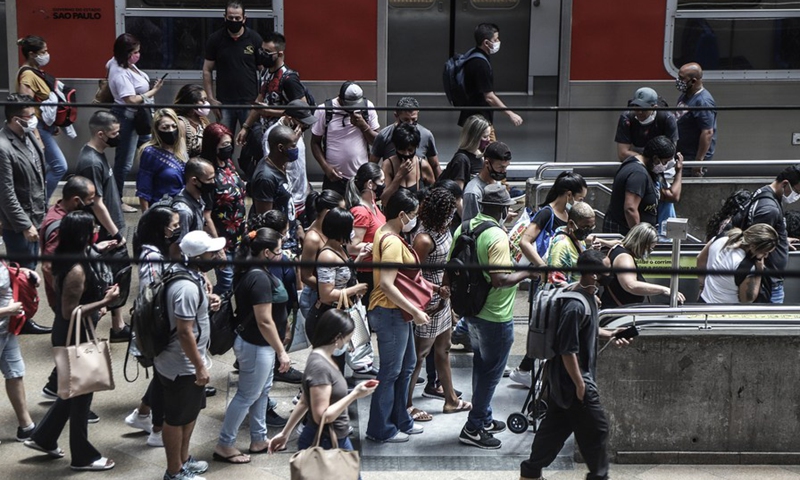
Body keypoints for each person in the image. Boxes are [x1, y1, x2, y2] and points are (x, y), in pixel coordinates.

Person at [519, 249, 632, 480]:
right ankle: (598, 476)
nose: (610, 272)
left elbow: (585, 329)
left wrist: (609, 333)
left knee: (554, 429)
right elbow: (566, 349)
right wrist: (580, 385)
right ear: (593, 274)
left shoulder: (585, 295)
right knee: (597, 431)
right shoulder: (575, 305)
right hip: (574, 381)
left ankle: (530, 473)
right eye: (606, 268)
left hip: (563, 381)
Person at [24, 211, 120, 471]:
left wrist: (98, 247)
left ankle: (44, 438)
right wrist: (105, 302)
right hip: (73, 336)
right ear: (82, 235)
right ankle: (83, 456)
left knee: (71, 392)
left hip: (69, 333)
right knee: (81, 399)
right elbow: (69, 311)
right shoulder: (76, 270)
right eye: (92, 229)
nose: (97, 231)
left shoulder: (68, 256)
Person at [450, 184, 537, 449]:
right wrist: (528, 272)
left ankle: (484, 417)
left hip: (472, 312)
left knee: (481, 365)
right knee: (491, 374)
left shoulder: (464, 227)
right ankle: (474, 428)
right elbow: (500, 279)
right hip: (495, 316)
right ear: (503, 210)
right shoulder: (497, 237)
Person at [213, 227, 291, 464]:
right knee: (247, 395)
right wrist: (281, 351)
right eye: (278, 250)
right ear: (266, 252)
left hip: (258, 345)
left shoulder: (252, 270)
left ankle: (258, 439)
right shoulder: (258, 278)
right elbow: (264, 320)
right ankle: (224, 444)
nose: (282, 253)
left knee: (261, 392)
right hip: (257, 346)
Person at [269, 309, 378, 472]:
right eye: (349, 338)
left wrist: (285, 433)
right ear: (337, 338)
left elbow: (304, 401)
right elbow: (323, 416)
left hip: (333, 437)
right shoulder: (320, 367)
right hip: (327, 440)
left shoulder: (319, 356)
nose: (349, 343)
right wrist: (355, 394)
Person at [157, 230, 223, 480]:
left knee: (188, 413)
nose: (216, 255)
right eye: (211, 252)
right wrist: (199, 366)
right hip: (182, 365)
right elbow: (185, 332)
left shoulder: (189, 275)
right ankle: (174, 471)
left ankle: (183, 460)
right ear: (198, 255)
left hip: (187, 363)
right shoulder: (186, 287)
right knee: (175, 418)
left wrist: (207, 300)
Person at [366, 189, 429, 443]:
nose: (414, 220)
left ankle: (401, 419)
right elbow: (387, 285)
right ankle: (380, 429)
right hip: (390, 312)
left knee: (406, 367)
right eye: (413, 215)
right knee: (391, 372)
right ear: (402, 215)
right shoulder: (391, 241)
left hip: (395, 313)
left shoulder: (387, 232)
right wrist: (415, 310)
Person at [408, 188, 470, 420]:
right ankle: (406, 404)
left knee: (443, 349)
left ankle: (451, 400)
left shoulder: (443, 230)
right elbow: (411, 276)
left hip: (443, 297)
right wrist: (436, 292)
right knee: (419, 355)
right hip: (429, 298)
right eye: (449, 210)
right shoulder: (423, 239)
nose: (453, 214)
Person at [123, 206, 182, 448]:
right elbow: (153, 292)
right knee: (163, 379)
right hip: (157, 327)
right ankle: (157, 429)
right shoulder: (152, 256)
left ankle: (142, 414)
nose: (177, 229)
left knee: (161, 375)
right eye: (173, 226)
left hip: (159, 324)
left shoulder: (158, 250)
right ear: (160, 228)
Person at [76, 110, 129, 342]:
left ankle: (118, 326)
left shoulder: (98, 154)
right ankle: (88, 338)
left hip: (111, 227)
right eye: (114, 133)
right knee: (100, 283)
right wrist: (116, 233)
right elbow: (96, 203)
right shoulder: (90, 162)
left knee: (117, 277)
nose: (118, 137)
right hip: (105, 232)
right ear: (100, 134)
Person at [305, 207, 374, 377]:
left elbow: (343, 274)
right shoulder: (327, 256)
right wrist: (355, 289)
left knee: (338, 368)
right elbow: (326, 295)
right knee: (330, 372)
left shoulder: (339, 248)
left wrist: (359, 258)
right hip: (327, 319)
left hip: (339, 316)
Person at [107, 32, 164, 211]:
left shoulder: (119, 63)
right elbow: (130, 99)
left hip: (140, 117)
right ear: (125, 54)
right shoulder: (120, 72)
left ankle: (149, 191)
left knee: (150, 152)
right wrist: (153, 92)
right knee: (124, 162)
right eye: (134, 52)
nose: (138, 55)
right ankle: (116, 199)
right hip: (128, 118)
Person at [731, 166, 800, 304]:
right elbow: (757, 243)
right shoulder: (769, 209)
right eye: (797, 191)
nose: (797, 196)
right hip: (768, 283)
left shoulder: (764, 192)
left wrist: (781, 240)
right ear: (785, 184)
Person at [15, 35, 66, 200]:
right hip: (38, 128)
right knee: (60, 166)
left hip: (46, 126)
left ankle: (35, 196)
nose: (47, 54)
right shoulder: (27, 76)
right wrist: (36, 135)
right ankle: (41, 202)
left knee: (45, 167)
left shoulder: (36, 72)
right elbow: (27, 108)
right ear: (32, 54)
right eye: (43, 52)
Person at [0, 94, 46, 269]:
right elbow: (6, 193)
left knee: (31, 269)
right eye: (30, 116)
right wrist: (25, 225)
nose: (34, 120)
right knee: (24, 273)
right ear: (15, 119)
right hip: (19, 226)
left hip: (36, 217)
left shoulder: (29, 136)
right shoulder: (3, 148)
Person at [202, 1, 263, 133]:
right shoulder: (215, 39)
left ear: (244, 19)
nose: (234, 21)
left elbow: (263, 70)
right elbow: (207, 70)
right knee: (224, 140)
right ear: (225, 17)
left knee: (252, 139)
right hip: (224, 102)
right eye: (230, 18)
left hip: (249, 102)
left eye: (237, 18)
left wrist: (260, 98)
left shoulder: (254, 39)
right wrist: (211, 99)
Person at [311, 81, 381, 195]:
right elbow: (315, 143)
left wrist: (363, 126)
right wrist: (326, 168)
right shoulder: (325, 110)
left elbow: (377, 142)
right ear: (340, 97)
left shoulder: (367, 107)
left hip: (360, 178)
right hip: (334, 179)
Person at [199, 124, 246, 294]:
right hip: (221, 240)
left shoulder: (228, 164)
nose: (228, 148)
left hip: (239, 237)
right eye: (223, 145)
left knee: (236, 282)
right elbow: (206, 215)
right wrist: (218, 247)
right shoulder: (208, 173)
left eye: (229, 144)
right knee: (226, 283)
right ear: (213, 146)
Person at [236, 31, 309, 139]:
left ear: (279, 54)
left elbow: (303, 110)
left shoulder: (289, 79)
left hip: (286, 138)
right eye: (262, 50)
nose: (262, 54)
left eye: (267, 52)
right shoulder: (265, 72)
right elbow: (259, 101)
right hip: (267, 135)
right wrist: (246, 127)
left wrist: (268, 111)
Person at [40, 176, 96, 316]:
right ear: (77, 200)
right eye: (90, 199)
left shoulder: (56, 209)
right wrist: (64, 294)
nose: (92, 202)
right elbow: (47, 267)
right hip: (68, 300)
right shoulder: (61, 228)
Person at [262, 99, 318, 234]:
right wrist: (294, 141)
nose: (304, 126)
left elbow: (299, 164)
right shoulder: (273, 136)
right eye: (302, 122)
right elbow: (275, 166)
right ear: (289, 118)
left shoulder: (296, 130)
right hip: (288, 198)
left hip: (302, 196)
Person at [600, 223, 685, 309]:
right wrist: (664, 289)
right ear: (642, 244)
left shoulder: (617, 249)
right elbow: (630, 285)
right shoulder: (624, 258)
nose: (649, 252)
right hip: (619, 312)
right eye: (650, 249)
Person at [458, 23, 523, 131]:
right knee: (486, 145)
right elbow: (489, 97)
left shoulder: (474, 54)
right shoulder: (480, 64)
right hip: (478, 120)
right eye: (496, 39)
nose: (498, 42)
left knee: (483, 146)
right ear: (486, 43)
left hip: (473, 117)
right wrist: (510, 114)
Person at [602, 136, 670, 235]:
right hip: (625, 233)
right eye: (665, 162)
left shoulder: (635, 164)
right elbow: (630, 209)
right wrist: (639, 237)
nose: (665, 166)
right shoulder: (638, 174)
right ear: (655, 158)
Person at [0, 261, 36, 443]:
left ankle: (26, 426)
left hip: (7, 330)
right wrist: (8, 310)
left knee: (15, 373)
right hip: (6, 319)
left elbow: (5, 270)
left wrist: (24, 273)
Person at [697, 224, 778, 304]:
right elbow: (747, 300)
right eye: (764, 252)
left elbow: (700, 259)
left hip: (703, 303)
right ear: (753, 246)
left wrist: (703, 285)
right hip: (724, 312)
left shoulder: (720, 238)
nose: (766, 256)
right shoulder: (745, 266)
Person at [299, 190, 345, 321]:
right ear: (328, 213)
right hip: (315, 299)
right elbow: (306, 276)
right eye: (340, 211)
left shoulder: (330, 230)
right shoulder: (313, 238)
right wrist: (330, 290)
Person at [346, 162, 387, 303]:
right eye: (381, 181)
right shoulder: (361, 212)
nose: (384, 184)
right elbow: (352, 247)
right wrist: (378, 245)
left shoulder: (374, 204)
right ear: (370, 184)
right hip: (366, 274)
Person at [370, 96, 440, 175]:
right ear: (396, 116)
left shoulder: (426, 135)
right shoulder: (384, 136)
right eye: (406, 120)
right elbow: (372, 165)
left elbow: (435, 165)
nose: (410, 124)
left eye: (414, 120)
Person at [135, 108, 187, 211]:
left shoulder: (181, 147)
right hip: (162, 210)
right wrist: (146, 218)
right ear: (157, 129)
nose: (171, 130)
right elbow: (144, 190)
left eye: (174, 126)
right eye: (165, 127)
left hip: (183, 207)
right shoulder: (150, 153)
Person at [250, 124, 297, 233]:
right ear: (281, 148)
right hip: (279, 239)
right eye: (293, 146)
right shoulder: (265, 178)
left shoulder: (280, 165)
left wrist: (297, 225)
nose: (296, 149)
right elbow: (265, 220)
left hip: (289, 231)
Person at [675, 62, 717, 177]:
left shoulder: (703, 102)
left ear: (693, 81)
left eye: (681, 78)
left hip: (691, 157)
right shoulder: (686, 94)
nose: (678, 81)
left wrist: (698, 162)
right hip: (682, 153)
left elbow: (707, 132)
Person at [615, 87, 678, 161]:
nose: (639, 112)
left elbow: (670, 152)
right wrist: (647, 160)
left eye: (644, 109)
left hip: (660, 162)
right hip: (637, 161)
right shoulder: (627, 118)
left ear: (654, 107)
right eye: (636, 107)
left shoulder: (667, 118)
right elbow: (623, 154)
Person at [381, 122, 436, 204]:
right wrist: (399, 175)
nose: (406, 154)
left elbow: (434, 196)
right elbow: (384, 200)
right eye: (402, 150)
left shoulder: (423, 166)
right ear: (396, 147)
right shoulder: (388, 165)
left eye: (410, 150)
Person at [461, 141, 512, 223]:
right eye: (500, 167)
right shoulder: (473, 192)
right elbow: (470, 227)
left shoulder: (496, 183)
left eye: (506, 167)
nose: (504, 171)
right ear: (487, 163)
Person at [440, 114, 492, 190]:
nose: (488, 139)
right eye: (485, 137)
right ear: (474, 137)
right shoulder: (461, 160)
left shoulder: (479, 154)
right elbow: (458, 194)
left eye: (489, 136)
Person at [174, 84, 211, 159]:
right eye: (202, 100)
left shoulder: (203, 121)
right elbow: (181, 153)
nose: (206, 103)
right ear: (192, 102)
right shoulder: (181, 124)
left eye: (206, 99)